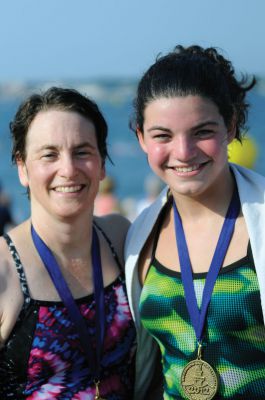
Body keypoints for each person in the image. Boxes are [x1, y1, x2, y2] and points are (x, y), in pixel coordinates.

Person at [125, 45, 265, 399]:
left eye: (202, 131)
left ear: (231, 126)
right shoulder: (140, 234)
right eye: (163, 135)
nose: (184, 152)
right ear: (141, 137)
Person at [0, 87, 136, 399]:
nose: (68, 169)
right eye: (49, 154)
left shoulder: (120, 236)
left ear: (101, 163)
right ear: (23, 168)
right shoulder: (4, 269)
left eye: (82, 151)